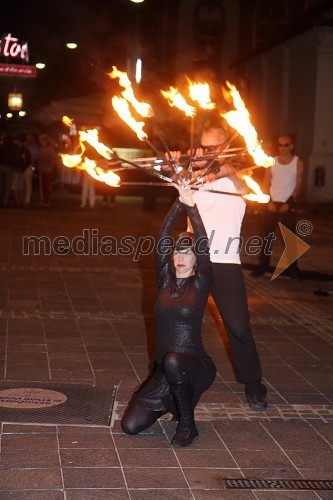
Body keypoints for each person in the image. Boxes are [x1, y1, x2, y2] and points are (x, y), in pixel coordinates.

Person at [166, 126, 267, 411]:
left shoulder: (239, 179)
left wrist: (220, 169)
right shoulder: (194, 179)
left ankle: (254, 382)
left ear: (225, 150)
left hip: (225, 262)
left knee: (238, 326)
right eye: (201, 147)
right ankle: (173, 380)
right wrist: (174, 167)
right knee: (179, 323)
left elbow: (239, 180)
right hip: (193, 261)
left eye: (211, 149)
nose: (202, 152)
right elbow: (178, 188)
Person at [121, 182, 216, 447]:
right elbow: (162, 235)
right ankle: (172, 399)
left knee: (174, 360)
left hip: (195, 365)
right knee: (129, 426)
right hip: (165, 372)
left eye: (188, 252)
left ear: (197, 259)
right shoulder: (165, 281)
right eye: (177, 251)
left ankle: (188, 425)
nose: (181, 257)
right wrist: (179, 200)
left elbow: (204, 243)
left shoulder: (201, 283)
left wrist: (192, 207)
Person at [251, 134, 304, 278]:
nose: (282, 148)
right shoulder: (272, 161)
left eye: (285, 145)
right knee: (267, 236)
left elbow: (299, 184)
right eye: (280, 145)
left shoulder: (297, 162)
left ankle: (294, 270)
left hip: (288, 203)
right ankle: (263, 266)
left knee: (290, 238)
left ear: (291, 146)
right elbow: (266, 182)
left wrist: (289, 203)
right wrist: (269, 202)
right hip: (273, 203)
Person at [38, 134, 58, 207]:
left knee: (47, 186)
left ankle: (47, 201)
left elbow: (53, 160)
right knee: (42, 186)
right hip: (42, 169)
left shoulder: (50, 150)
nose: (40, 142)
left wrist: (51, 168)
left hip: (48, 170)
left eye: (42, 141)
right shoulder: (41, 149)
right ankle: (43, 200)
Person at [0, 131, 17, 207]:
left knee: (1, 185)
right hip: (8, 167)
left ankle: (1, 201)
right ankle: (5, 202)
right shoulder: (12, 148)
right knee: (7, 186)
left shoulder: (1, 147)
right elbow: (14, 158)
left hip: (1, 166)